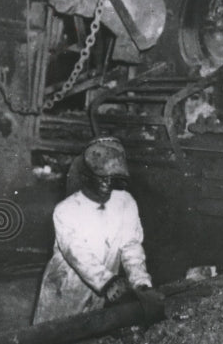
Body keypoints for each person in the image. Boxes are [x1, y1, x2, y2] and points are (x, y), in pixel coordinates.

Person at [33, 137, 159, 324]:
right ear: (87, 176)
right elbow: (77, 253)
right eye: (101, 178)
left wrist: (140, 282)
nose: (107, 185)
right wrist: (107, 282)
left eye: (112, 179)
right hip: (65, 288)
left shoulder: (125, 202)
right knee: (52, 339)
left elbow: (131, 245)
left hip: (100, 291)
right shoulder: (66, 210)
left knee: (86, 338)